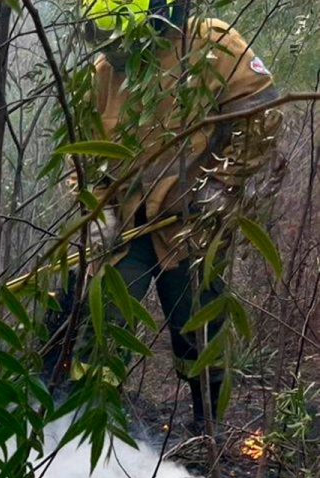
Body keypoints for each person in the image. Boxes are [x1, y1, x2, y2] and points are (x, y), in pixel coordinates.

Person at [73, 0, 283, 429]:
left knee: (198, 325)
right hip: (127, 227)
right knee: (105, 322)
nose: (113, 55)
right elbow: (84, 154)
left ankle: (207, 428)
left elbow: (262, 115)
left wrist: (223, 184)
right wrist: (95, 209)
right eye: (106, 45)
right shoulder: (103, 74)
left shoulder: (210, 43)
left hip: (192, 226)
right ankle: (87, 427)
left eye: (120, 44)